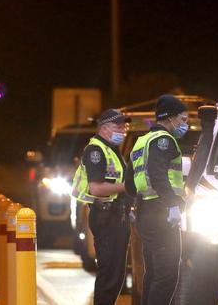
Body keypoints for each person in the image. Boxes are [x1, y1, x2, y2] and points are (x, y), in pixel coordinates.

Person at [129, 95, 188, 305]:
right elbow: (157, 174)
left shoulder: (140, 143)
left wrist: (132, 206)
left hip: (145, 213)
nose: (184, 124)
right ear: (170, 118)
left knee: (153, 274)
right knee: (166, 276)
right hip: (161, 213)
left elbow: (129, 182)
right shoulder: (164, 141)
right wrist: (173, 204)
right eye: (183, 119)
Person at [71, 109, 132, 305]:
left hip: (116, 216)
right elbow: (96, 188)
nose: (123, 130)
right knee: (109, 276)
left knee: (116, 275)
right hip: (106, 217)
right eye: (118, 127)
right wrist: (127, 187)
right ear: (104, 128)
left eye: (124, 126)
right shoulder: (96, 150)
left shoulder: (112, 149)